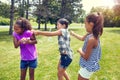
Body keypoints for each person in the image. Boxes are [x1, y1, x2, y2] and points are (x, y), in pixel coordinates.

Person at [70, 12, 104, 80]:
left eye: (85, 23)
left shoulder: (92, 39)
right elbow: (82, 38)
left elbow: (86, 57)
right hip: (88, 65)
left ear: (91, 24)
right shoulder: (91, 34)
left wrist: (80, 50)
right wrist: (73, 34)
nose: (84, 25)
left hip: (88, 66)